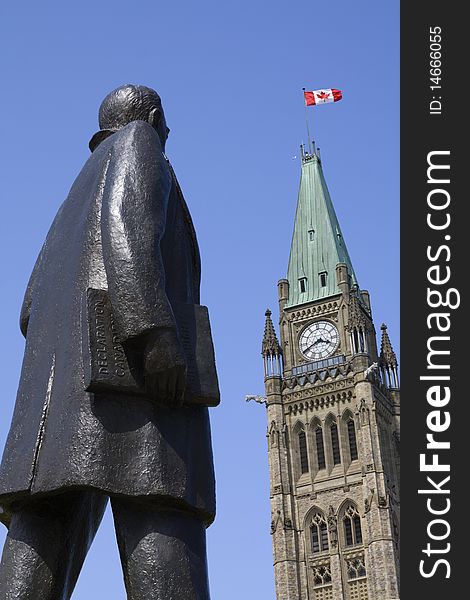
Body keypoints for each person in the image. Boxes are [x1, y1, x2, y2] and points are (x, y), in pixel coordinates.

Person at [0, 84, 218, 599]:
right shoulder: (140, 143)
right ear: (154, 116)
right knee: (163, 512)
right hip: (135, 387)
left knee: (41, 533)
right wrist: (155, 333)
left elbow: (29, 309)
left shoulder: (71, 198)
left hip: (56, 409)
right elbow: (127, 226)